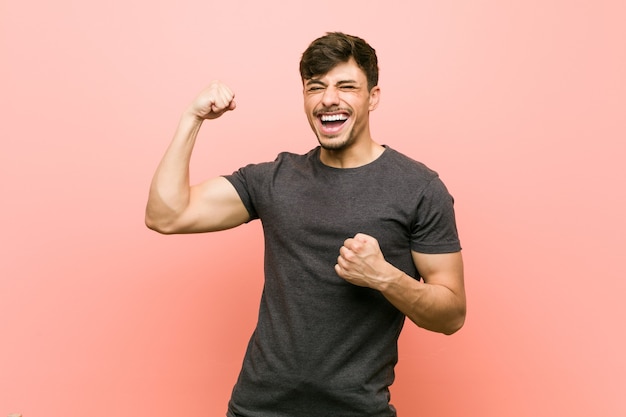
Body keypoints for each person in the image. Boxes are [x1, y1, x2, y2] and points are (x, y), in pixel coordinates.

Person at [145, 32, 466, 417]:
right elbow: (166, 215)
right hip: (255, 409)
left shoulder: (419, 188)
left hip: (357, 411)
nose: (329, 98)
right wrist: (191, 119)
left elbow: (452, 315)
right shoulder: (274, 180)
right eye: (316, 87)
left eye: (346, 86)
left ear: (373, 97)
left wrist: (385, 277)